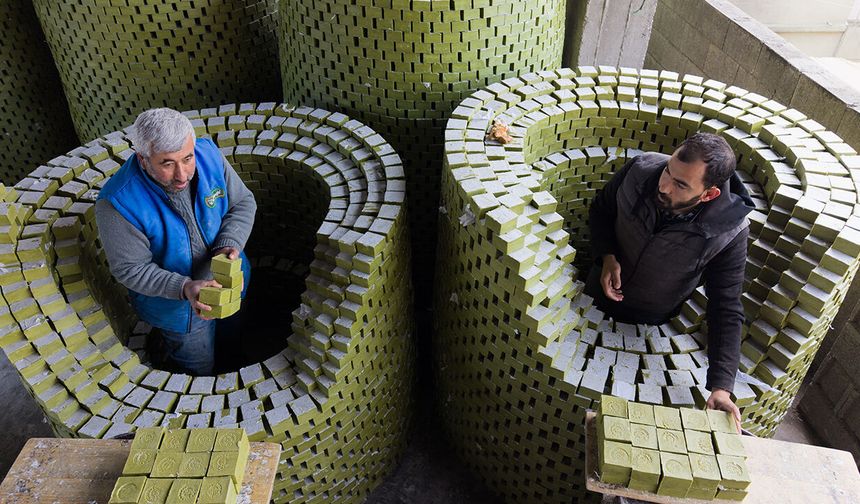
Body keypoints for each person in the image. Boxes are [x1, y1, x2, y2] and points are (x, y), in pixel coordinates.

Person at [586, 132, 753, 431]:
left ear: (709, 194)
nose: (663, 185)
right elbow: (601, 211)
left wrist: (721, 386)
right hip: (593, 292)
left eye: (680, 184)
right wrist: (607, 255)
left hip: (649, 320)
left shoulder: (729, 233)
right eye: (668, 171)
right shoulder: (639, 171)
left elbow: (726, 307)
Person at [95, 108, 257, 375]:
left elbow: (242, 202)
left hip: (231, 282)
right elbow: (130, 269)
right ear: (143, 159)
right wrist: (184, 288)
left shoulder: (209, 156)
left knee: (232, 339)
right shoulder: (118, 203)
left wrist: (229, 242)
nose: (182, 175)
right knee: (200, 367)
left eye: (187, 158)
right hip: (179, 312)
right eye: (167, 164)